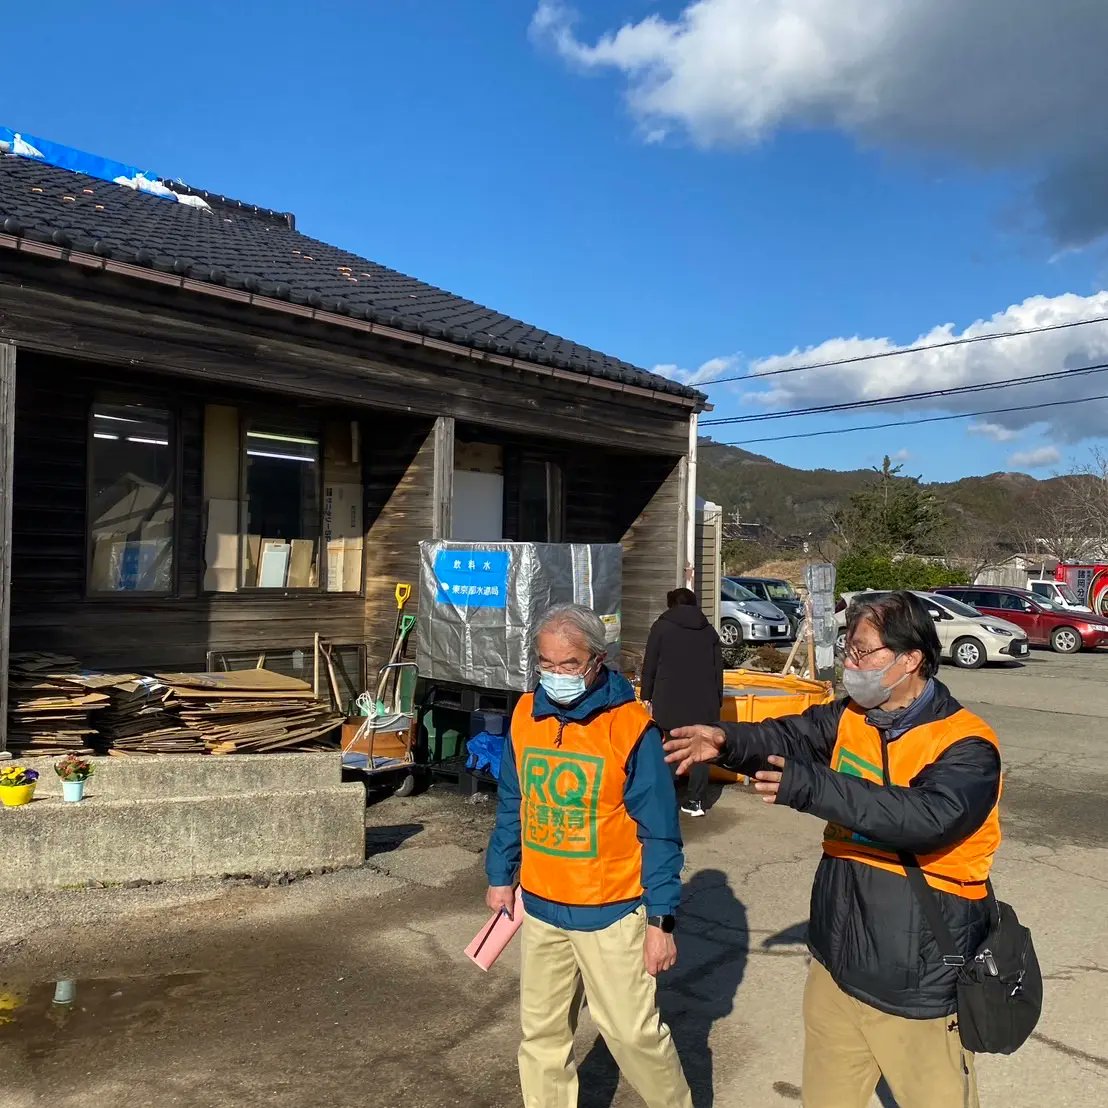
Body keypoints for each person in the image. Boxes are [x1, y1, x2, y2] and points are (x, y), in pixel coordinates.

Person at [664, 591, 1001, 1108]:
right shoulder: (851, 716)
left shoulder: (967, 745)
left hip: (918, 976)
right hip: (837, 962)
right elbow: (788, 736)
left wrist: (809, 787)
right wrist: (726, 741)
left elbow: (926, 818)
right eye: (848, 649)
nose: (851, 663)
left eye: (863, 651)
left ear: (910, 659)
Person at [485, 603, 693, 1108]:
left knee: (633, 1035)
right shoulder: (525, 715)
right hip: (541, 907)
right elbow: (513, 801)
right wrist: (500, 874)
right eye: (546, 663)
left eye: (569, 664)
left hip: (612, 914)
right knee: (541, 1036)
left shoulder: (631, 728)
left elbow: (661, 834)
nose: (555, 674)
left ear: (598, 661)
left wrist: (660, 921)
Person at [641, 587, 724, 818]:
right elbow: (718, 669)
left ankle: (665, 799)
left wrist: (646, 695)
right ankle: (696, 801)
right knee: (701, 750)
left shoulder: (661, 628)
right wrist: (717, 698)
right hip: (704, 701)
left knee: (670, 746)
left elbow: (650, 664)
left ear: (671, 604)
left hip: (670, 700)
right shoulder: (709, 631)